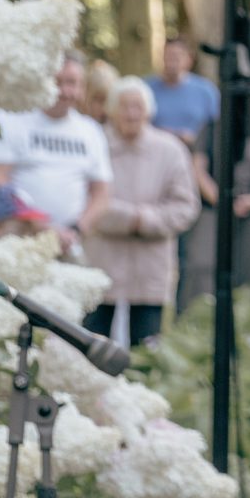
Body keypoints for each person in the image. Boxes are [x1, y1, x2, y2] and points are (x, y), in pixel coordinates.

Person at [82, 79, 198, 347]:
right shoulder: (94, 144)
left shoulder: (170, 150)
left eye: (138, 107)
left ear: (149, 112)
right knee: (91, 345)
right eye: (124, 107)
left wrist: (146, 220)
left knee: (146, 348)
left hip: (150, 269)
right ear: (112, 111)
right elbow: (83, 200)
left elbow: (186, 207)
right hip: (100, 263)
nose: (131, 114)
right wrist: (127, 218)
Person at [0, 54, 111, 252]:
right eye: (57, 82)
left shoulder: (91, 131)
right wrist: (42, 228)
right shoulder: (7, 119)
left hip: (71, 246)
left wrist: (76, 230)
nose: (64, 91)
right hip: (15, 244)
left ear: (83, 88)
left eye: (72, 83)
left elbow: (101, 194)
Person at [183, 101, 250, 303]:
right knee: (202, 267)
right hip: (213, 208)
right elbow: (198, 169)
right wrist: (221, 201)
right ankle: (201, 311)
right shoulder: (210, 129)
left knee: (244, 273)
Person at [147, 37, 220, 146]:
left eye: (177, 57)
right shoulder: (146, 89)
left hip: (195, 151)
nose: (172, 62)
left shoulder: (206, 91)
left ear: (189, 60)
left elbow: (215, 128)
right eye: (168, 56)